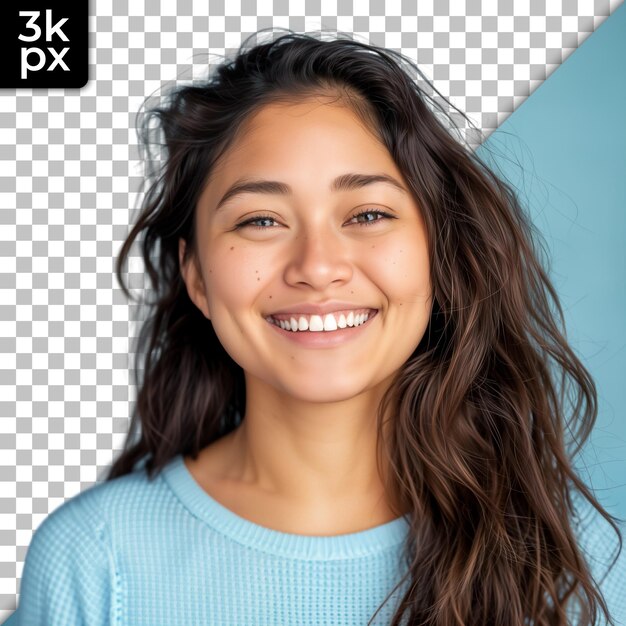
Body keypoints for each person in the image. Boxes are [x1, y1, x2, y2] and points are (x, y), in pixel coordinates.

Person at [7, 29, 626, 626]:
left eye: (368, 213)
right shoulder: (91, 559)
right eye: (260, 221)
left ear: (439, 251)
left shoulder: (581, 559)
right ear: (194, 273)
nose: (317, 267)